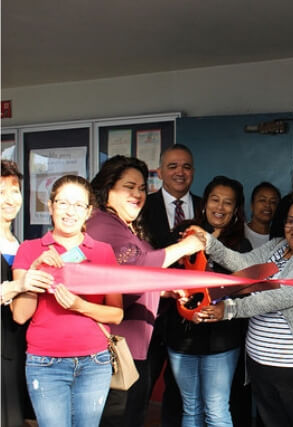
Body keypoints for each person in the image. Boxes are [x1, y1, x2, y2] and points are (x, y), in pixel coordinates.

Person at [200, 197, 293, 427]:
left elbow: (276, 297)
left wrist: (229, 309)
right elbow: (244, 264)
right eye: (291, 221)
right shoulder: (279, 246)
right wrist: (208, 242)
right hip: (263, 364)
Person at [87, 156, 205, 427]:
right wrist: (184, 248)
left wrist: (165, 289)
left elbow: (131, 277)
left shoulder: (124, 225)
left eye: (141, 188)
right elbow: (136, 268)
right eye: (129, 187)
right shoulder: (102, 224)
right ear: (107, 189)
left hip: (134, 349)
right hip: (113, 351)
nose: (138, 194)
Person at [11, 175, 124, 427]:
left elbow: (116, 314)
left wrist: (79, 306)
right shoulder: (29, 249)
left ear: (88, 212)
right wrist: (35, 271)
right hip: (45, 363)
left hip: (95, 362)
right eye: (62, 203)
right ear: (51, 206)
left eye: (78, 205)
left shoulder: (103, 251)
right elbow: (20, 315)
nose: (70, 211)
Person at [166, 176, 252, 427]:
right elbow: (166, 275)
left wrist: (222, 305)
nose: (220, 207)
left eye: (228, 202)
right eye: (215, 200)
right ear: (204, 204)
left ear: (236, 210)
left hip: (222, 339)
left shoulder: (240, 245)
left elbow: (245, 289)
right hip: (183, 335)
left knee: (216, 410)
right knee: (191, 407)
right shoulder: (184, 234)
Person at [142, 144, 201, 427]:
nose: (180, 172)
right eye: (173, 166)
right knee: (141, 386)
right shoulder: (142, 206)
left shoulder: (205, 206)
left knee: (180, 395)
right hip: (151, 312)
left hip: (189, 314)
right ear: (160, 172)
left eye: (186, 166)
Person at [1, 160, 49, 427]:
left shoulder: (17, 243)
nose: (10, 199)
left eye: (15, 191)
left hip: (16, 345)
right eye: (1, 192)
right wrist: (19, 285)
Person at [245, 182, 281, 249]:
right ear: (252, 205)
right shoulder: (239, 232)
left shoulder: (281, 239)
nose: (267, 205)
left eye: (273, 202)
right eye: (262, 200)